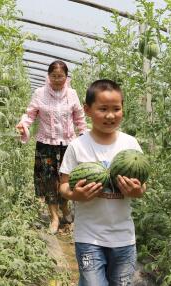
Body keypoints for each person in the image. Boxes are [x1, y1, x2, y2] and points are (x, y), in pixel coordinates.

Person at [59, 79, 146, 286]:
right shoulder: (77, 146)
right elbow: (63, 185)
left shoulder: (130, 145)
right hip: (89, 237)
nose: (110, 115)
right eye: (103, 109)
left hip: (124, 238)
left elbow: (142, 186)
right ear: (87, 110)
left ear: (123, 109)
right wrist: (74, 195)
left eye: (116, 109)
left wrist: (136, 191)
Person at [16, 60, 87, 235]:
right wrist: (23, 124)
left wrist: (84, 134)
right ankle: (54, 217)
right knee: (49, 181)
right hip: (46, 144)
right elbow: (30, 113)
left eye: (60, 76)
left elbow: (79, 117)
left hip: (68, 145)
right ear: (48, 76)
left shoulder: (72, 94)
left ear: (66, 77)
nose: (57, 80)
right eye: (53, 76)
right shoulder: (40, 93)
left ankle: (65, 207)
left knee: (67, 179)